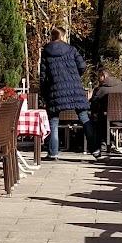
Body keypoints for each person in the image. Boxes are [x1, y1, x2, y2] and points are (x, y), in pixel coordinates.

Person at [39, 27, 92, 161]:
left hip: (55, 90)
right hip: (74, 89)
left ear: (52, 36)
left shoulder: (46, 51)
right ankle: (96, 149)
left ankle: (53, 153)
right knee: (84, 118)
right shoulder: (72, 49)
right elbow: (82, 66)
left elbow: (43, 75)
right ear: (63, 36)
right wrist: (74, 77)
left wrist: (45, 92)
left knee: (54, 121)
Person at [88, 67, 122, 158]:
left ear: (103, 76)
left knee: (98, 119)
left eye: (99, 77)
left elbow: (93, 104)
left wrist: (90, 98)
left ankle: (102, 144)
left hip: (109, 119)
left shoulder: (102, 90)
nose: (98, 80)